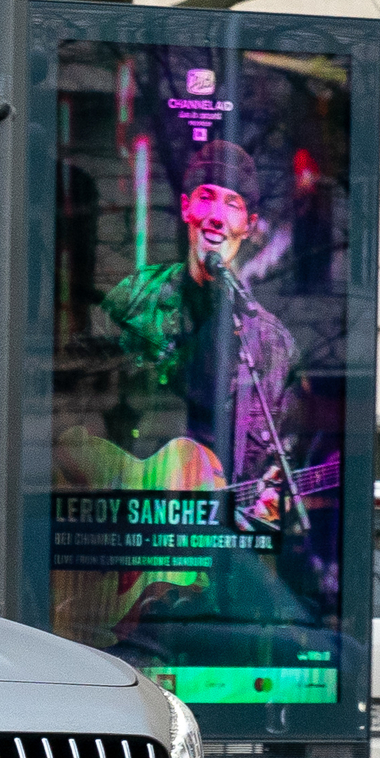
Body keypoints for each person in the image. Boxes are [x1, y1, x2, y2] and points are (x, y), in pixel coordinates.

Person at [101, 141, 302, 502]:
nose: (216, 217)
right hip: (134, 520)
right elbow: (78, 414)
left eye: (232, 204)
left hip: (216, 532)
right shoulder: (132, 298)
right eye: (206, 197)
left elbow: (273, 464)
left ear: (249, 225)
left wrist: (267, 507)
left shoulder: (274, 344)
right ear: (185, 208)